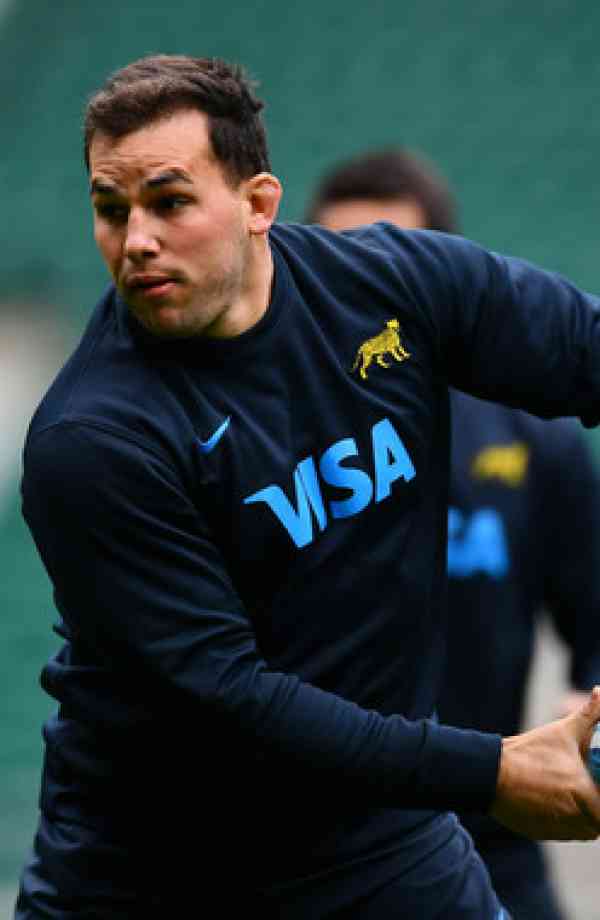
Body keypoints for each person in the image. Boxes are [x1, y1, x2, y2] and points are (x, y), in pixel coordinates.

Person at [14, 54, 600, 920]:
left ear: (258, 203)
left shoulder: (389, 286)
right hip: (158, 877)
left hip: (380, 844)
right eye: (111, 208)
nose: (135, 240)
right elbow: (234, 704)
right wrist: (491, 770)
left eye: (169, 202)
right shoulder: (93, 440)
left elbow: (584, 348)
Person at [307, 146, 600, 919]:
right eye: (339, 262)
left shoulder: (535, 436)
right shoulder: (272, 448)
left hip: (493, 819)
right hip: (316, 847)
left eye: (388, 261)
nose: (360, 289)